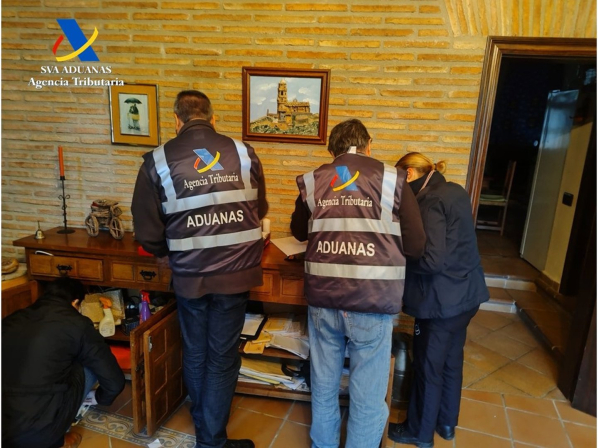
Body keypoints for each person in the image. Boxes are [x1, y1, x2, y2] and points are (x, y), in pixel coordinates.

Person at [131, 90, 268, 448]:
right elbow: (260, 206)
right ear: (212, 118)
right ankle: (211, 439)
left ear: (176, 120)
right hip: (236, 272)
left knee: (195, 351)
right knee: (222, 356)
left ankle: (207, 434)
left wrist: (168, 251)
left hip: (190, 275)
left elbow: (147, 232)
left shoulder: (158, 161)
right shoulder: (243, 153)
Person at [290, 119, 426, 448]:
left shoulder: (314, 180)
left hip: (324, 299)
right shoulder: (393, 179)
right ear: (368, 145)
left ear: (332, 151)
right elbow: (416, 246)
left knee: (324, 388)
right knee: (367, 396)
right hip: (372, 300)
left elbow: (298, 231)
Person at [388, 153, 490, 447]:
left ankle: (418, 433)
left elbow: (431, 260)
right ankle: (446, 423)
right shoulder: (455, 190)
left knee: (427, 367)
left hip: (440, 302)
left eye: (398, 180)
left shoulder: (428, 201)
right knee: (451, 361)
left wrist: (398, 260)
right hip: (467, 295)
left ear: (409, 174)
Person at [2, 277, 126, 448]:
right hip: (41, 433)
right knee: (90, 361)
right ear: (75, 302)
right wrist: (99, 398)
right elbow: (114, 381)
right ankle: (60, 432)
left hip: (4, 430)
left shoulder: (11, 320)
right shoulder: (78, 324)